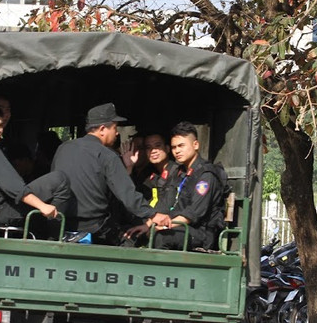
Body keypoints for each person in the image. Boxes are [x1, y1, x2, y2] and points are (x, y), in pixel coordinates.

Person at [52, 103, 170, 244]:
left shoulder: (63, 148)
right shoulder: (107, 155)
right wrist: (153, 214)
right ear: (102, 129)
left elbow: (53, 181)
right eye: (115, 128)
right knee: (130, 240)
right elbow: (127, 194)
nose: (117, 133)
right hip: (95, 230)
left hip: (60, 226)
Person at [0, 105, 71, 235]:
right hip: (1, 211)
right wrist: (42, 206)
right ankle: (55, 236)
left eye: (1, 125)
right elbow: (14, 188)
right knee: (59, 179)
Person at [148, 121, 226, 250]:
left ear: (195, 145)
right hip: (182, 227)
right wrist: (150, 223)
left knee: (161, 237)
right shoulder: (181, 173)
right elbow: (169, 205)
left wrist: (167, 225)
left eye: (181, 146)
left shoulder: (206, 175)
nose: (177, 151)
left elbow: (194, 212)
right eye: (174, 147)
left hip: (201, 232)